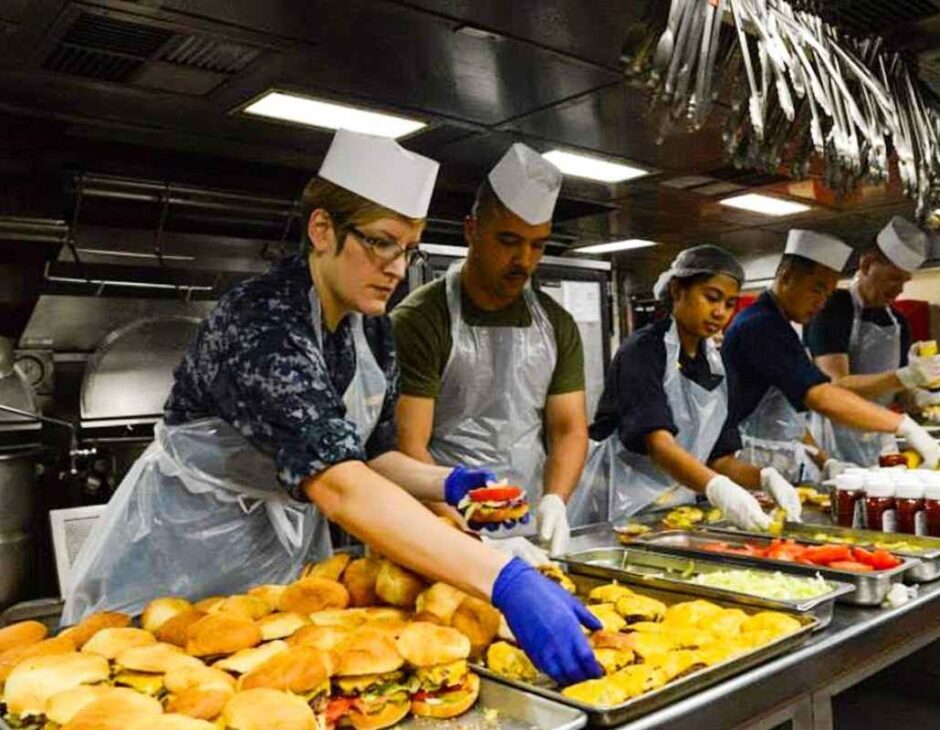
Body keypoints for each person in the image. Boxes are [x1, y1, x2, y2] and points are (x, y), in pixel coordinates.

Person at [62, 131, 601, 687]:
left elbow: (372, 458)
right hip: (178, 553)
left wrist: (451, 483)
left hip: (274, 559)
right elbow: (340, 486)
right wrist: (502, 579)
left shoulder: (371, 331)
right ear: (323, 230)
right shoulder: (261, 321)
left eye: (409, 249)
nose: (397, 267)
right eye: (381, 243)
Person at [391, 143, 587, 556]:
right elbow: (409, 445)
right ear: (471, 230)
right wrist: (465, 532)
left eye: (538, 245)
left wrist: (555, 500)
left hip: (526, 525)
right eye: (509, 241)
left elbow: (569, 428)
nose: (524, 260)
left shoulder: (557, 324)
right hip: (441, 528)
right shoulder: (422, 319)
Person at [570, 245, 799, 528]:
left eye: (729, 304)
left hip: (670, 512)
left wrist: (764, 478)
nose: (720, 312)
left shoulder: (715, 366)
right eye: (711, 297)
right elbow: (659, 445)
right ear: (678, 290)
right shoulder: (642, 351)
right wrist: (717, 488)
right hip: (616, 507)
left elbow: (719, 458)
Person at [722, 229, 940, 478]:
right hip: (746, 463)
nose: (821, 303)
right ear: (786, 277)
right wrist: (905, 427)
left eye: (827, 294)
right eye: (817, 290)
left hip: (772, 463)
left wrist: (825, 462)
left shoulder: (781, 324)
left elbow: (790, 416)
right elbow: (819, 394)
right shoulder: (760, 325)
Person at [805, 216, 940, 469]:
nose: (899, 289)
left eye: (904, 281)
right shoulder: (832, 308)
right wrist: (904, 377)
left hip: (882, 439)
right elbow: (834, 384)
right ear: (866, 265)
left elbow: (899, 394)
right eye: (892, 278)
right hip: (834, 442)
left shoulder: (899, 321)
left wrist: (920, 398)